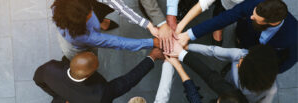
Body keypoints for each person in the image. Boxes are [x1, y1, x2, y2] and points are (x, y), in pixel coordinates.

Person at [177, 0, 297, 73]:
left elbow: (288, 61)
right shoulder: (254, 4)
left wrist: (264, 73)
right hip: (244, 37)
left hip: (261, 58)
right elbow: (224, 18)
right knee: (238, 49)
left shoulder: (293, 37)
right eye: (253, 13)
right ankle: (235, 63)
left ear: (271, 22)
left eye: (256, 18)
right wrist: (188, 35)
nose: (251, 17)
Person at [33, 48, 164, 103]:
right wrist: (152, 57)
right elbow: (127, 81)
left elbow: (37, 80)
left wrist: (59, 96)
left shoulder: (49, 69)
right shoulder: (101, 93)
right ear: (90, 74)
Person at [165, 40, 279, 103]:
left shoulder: (268, 92)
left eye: (241, 65)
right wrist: (185, 49)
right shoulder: (242, 55)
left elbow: (211, 80)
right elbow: (213, 52)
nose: (240, 60)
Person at [52, 0, 160, 60]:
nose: (91, 12)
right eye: (89, 14)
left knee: (101, 9)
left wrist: (147, 24)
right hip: (76, 49)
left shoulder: (60, 6)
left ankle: (101, 23)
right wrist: (152, 42)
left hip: (76, 27)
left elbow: (117, 5)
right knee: (89, 60)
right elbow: (119, 43)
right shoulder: (88, 37)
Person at [164, 44, 248, 103]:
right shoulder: (233, 96)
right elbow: (210, 76)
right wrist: (182, 54)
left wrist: (178, 66)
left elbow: (194, 98)